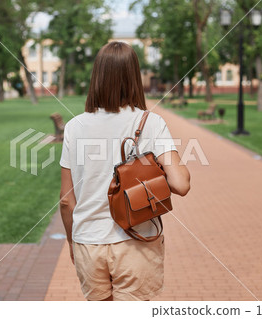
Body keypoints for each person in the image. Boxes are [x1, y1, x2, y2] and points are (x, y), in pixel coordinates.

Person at [59, 41, 190, 301]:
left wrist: (72, 241)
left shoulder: (75, 127)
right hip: (136, 240)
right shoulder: (151, 123)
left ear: (97, 76)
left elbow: (66, 200)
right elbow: (181, 184)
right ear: (134, 76)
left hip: (88, 242)